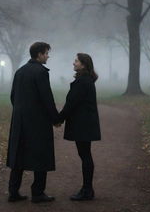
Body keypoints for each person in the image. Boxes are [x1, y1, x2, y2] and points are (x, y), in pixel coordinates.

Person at [6, 42, 61, 203]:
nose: (48, 56)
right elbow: (46, 98)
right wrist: (55, 119)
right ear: (39, 54)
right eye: (46, 53)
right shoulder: (41, 72)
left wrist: (20, 112)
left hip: (19, 121)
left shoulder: (20, 71)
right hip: (38, 122)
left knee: (18, 155)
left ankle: (13, 192)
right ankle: (37, 193)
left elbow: (13, 96)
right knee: (41, 156)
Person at [59, 53, 101, 201]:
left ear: (83, 64)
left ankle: (87, 190)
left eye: (76, 61)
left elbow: (71, 104)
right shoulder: (85, 80)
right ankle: (87, 189)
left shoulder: (83, 82)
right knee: (85, 155)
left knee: (85, 156)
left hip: (83, 125)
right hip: (85, 124)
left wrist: (59, 119)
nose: (73, 63)